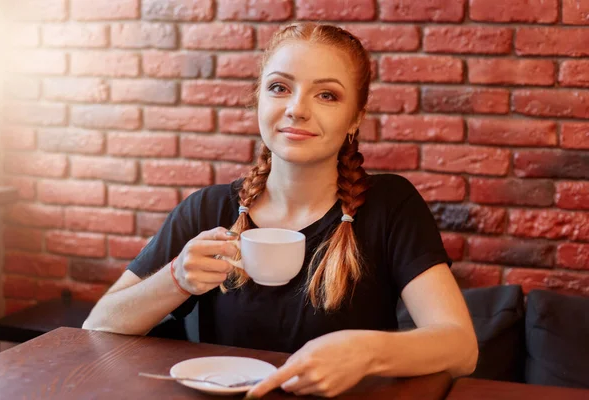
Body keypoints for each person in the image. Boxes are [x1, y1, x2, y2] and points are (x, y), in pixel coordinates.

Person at [83, 22, 478, 398]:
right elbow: (99, 326)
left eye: (326, 95)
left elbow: (461, 348)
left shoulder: (390, 205)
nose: (297, 109)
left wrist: (368, 353)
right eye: (279, 88)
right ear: (259, 99)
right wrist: (176, 279)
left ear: (356, 117)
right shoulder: (207, 208)